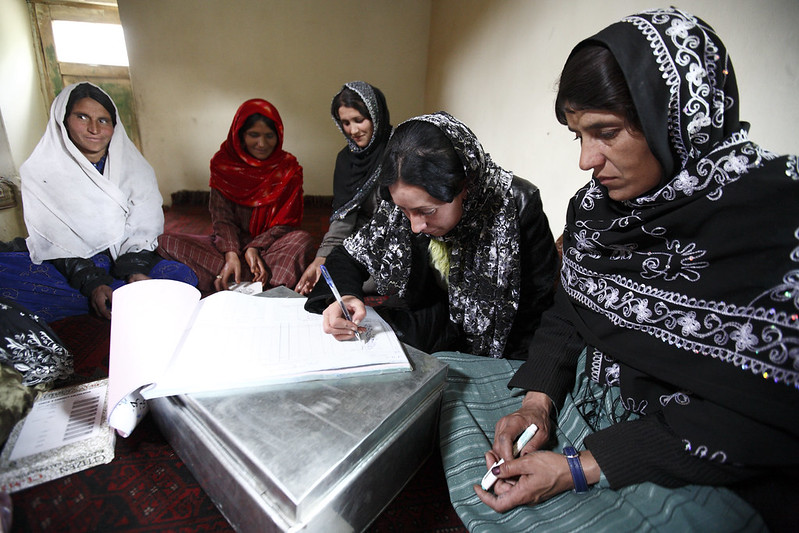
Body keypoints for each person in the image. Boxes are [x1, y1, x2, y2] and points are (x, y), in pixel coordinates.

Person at [436, 8, 798, 532]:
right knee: (441, 379)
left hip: (687, 448)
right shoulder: (594, 211)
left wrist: (578, 469)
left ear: (675, 120)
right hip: (587, 398)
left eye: (605, 132)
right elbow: (570, 313)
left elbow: (762, 417)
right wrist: (537, 403)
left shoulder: (775, 221)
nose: (587, 160)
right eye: (577, 136)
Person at [305, 111, 558, 358]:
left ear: (465, 186)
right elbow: (349, 255)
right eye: (404, 210)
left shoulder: (517, 207)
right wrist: (347, 295)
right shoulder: (403, 201)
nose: (416, 226)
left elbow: (537, 307)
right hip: (434, 314)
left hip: (502, 341)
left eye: (427, 211)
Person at [1, 82, 196, 323]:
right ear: (63, 120)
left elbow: (143, 226)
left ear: (114, 125)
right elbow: (56, 240)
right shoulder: (40, 171)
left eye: (103, 120)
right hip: (71, 262)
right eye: (82, 117)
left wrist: (135, 269)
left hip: (123, 255)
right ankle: (119, 298)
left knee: (182, 276)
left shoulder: (135, 168)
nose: (94, 129)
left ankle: (116, 296)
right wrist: (92, 282)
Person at [157, 99, 315, 294]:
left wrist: (254, 248)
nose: (262, 144)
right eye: (254, 135)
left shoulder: (288, 169)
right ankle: (259, 281)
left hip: (270, 248)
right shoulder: (223, 164)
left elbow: (287, 224)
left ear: (279, 136)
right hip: (227, 245)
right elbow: (222, 219)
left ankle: (230, 280)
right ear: (240, 134)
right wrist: (231, 254)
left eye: (269, 136)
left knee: (302, 240)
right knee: (166, 241)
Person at [294, 81, 392, 295]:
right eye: (345, 123)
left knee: (364, 281)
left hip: (398, 237)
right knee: (330, 272)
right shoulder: (347, 160)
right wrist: (322, 258)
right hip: (363, 236)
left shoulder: (398, 152)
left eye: (359, 120)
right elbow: (344, 218)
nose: (353, 131)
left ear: (376, 116)